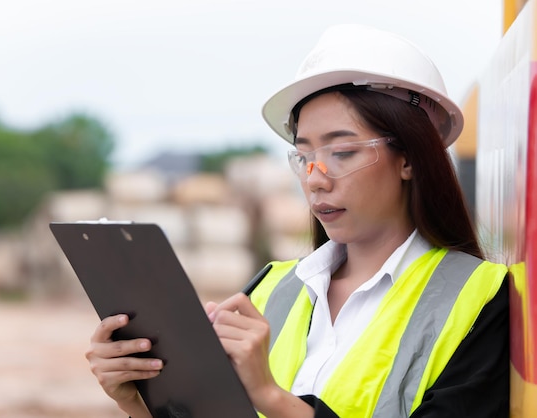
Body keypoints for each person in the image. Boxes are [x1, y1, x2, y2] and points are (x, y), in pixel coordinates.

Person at [85, 24, 509, 417]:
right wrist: (138, 403)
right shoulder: (271, 290)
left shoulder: (478, 300)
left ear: (411, 159)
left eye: (342, 153)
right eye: (304, 156)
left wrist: (271, 397)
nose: (315, 181)